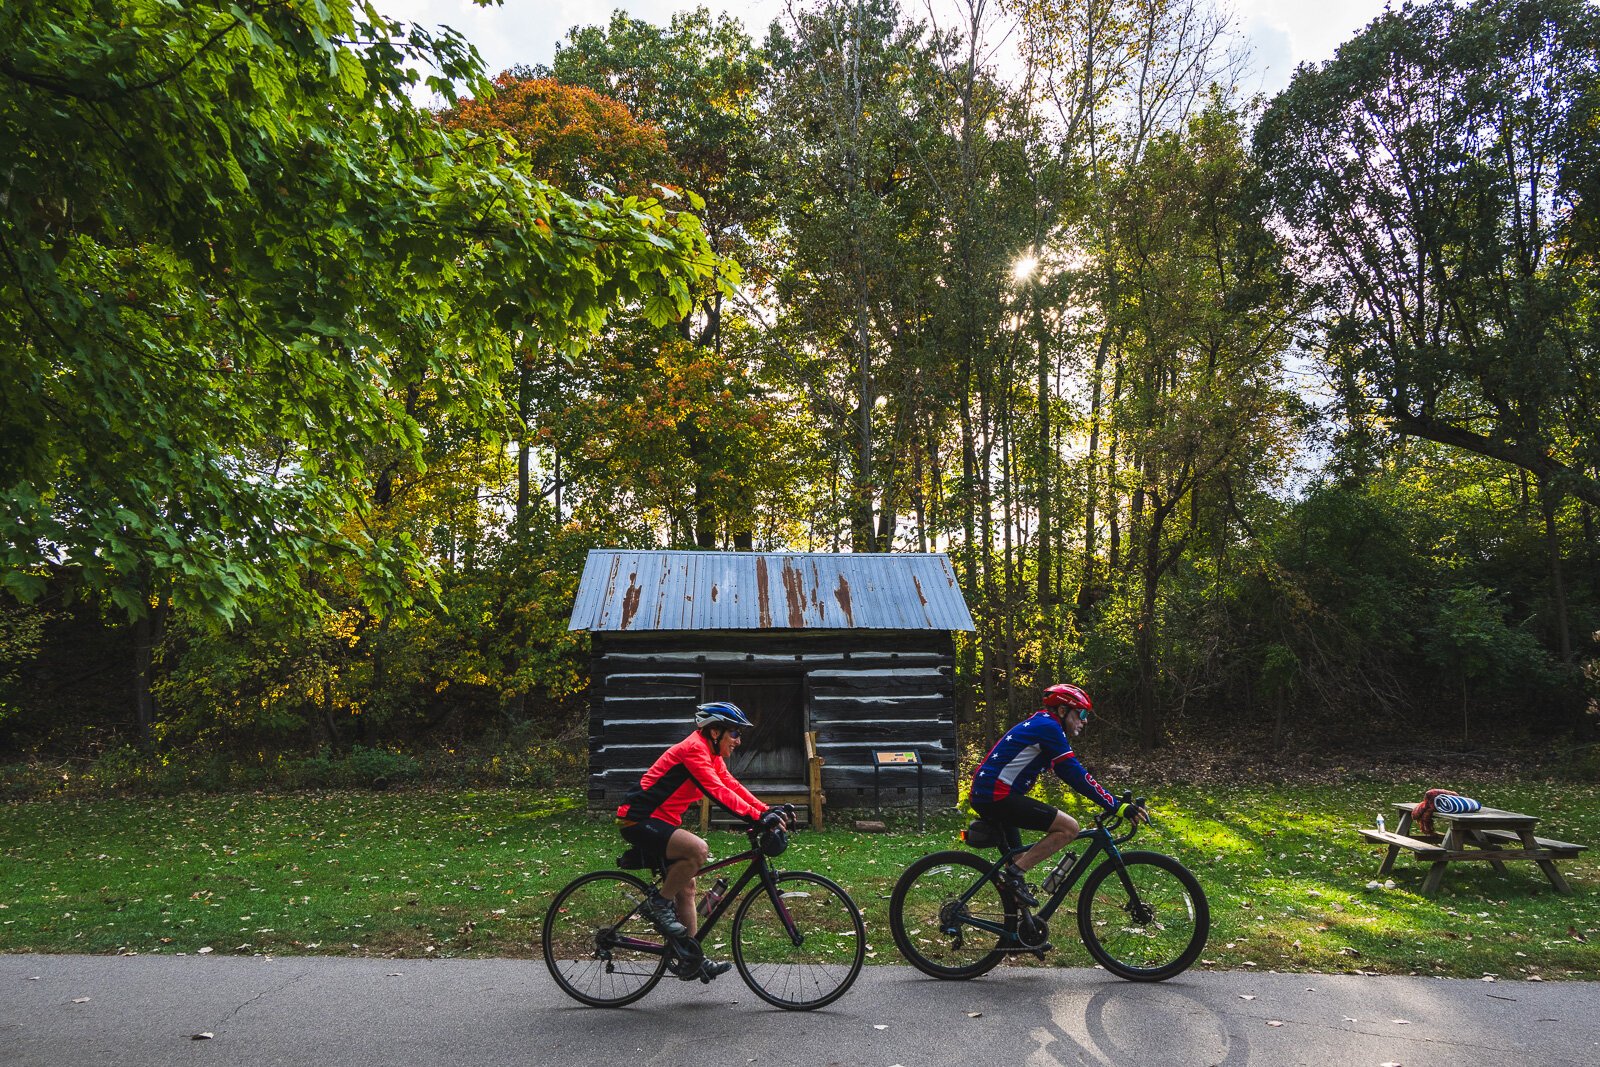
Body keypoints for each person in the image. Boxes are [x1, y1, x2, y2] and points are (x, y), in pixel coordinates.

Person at [615, 700, 783, 981]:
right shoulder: (694, 750)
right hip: (638, 818)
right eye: (735, 733)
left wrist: (765, 811)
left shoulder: (711, 754)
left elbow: (732, 786)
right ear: (715, 732)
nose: (739, 741)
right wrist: (755, 818)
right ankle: (658, 905)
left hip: (660, 821)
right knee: (697, 850)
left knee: (688, 886)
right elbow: (716, 791)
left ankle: (691, 957)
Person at [968, 683, 1144, 906]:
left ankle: (1020, 931)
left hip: (990, 795)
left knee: (1018, 862)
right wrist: (1114, 805)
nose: (1085, 720)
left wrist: (1110, 799)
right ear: (1062, 711)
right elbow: (1075, 774)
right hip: (996, 796)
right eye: (1081, 713)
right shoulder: (1049, 728)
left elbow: (1070, 773)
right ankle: (1012, 876)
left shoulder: (1045, 724)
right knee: (1068, 828)